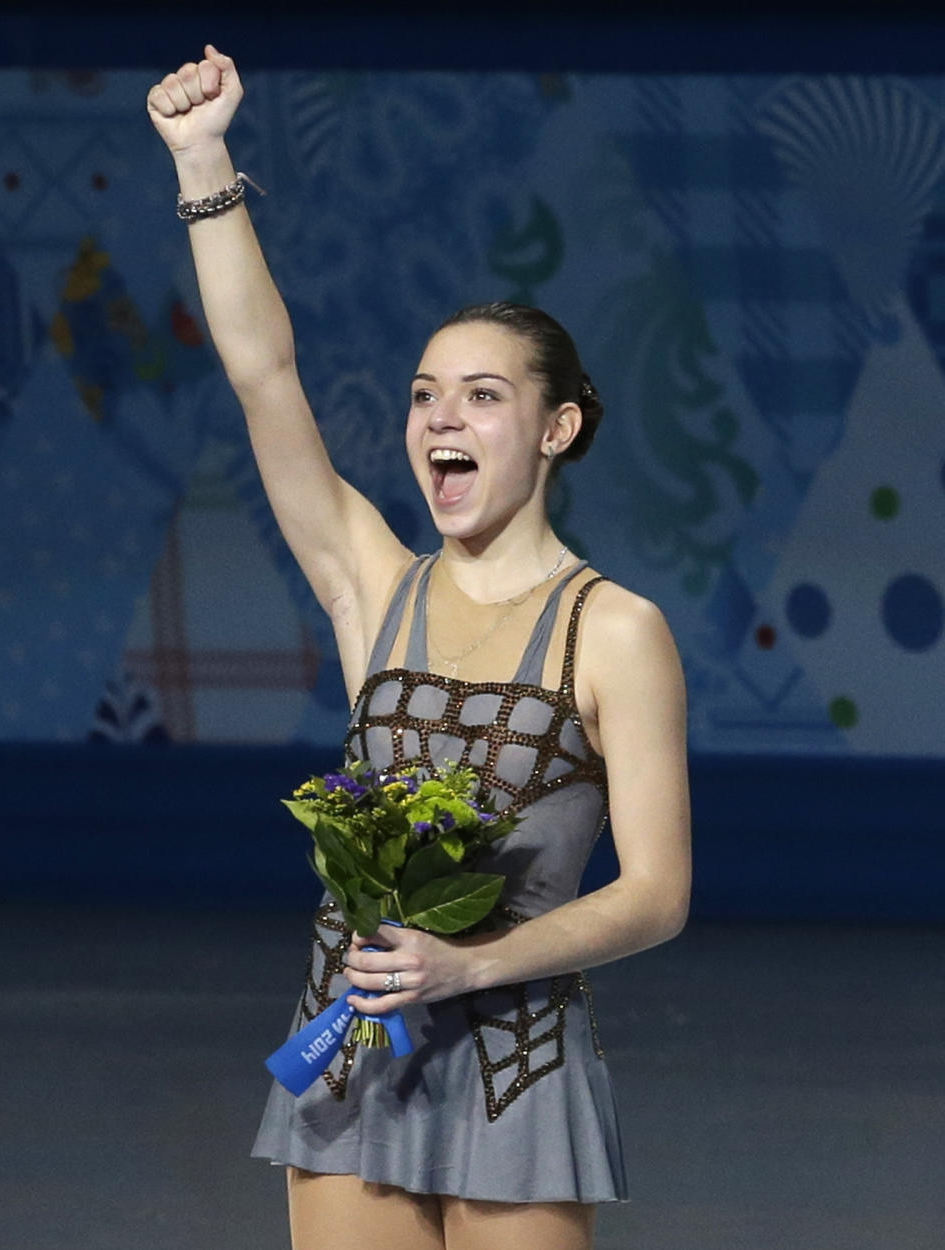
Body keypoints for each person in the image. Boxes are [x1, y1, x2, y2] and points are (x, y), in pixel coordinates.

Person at [148, 46, 691, 1250]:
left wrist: (471, 962)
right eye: (425, 393)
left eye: (484, 396)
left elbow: (656, 894)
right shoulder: (373, 586)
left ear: (558, 426)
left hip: (515, 1062)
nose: (443, 416)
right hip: (353, 1050)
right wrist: (204, 159)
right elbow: (263, 375)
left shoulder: (616, 628)